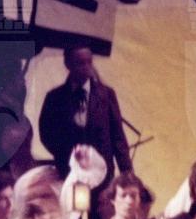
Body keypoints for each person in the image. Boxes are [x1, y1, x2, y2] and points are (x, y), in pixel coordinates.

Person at [37, 44, 133, 175]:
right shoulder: (55, 98)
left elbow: (118, 137)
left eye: (89, 62)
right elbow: (46, 133)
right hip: (69, 172)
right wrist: (65, 155)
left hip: (102, 172)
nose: (87, 67)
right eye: (81, 63)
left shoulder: (106, 95)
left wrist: (127, 173)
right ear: (68, 64)